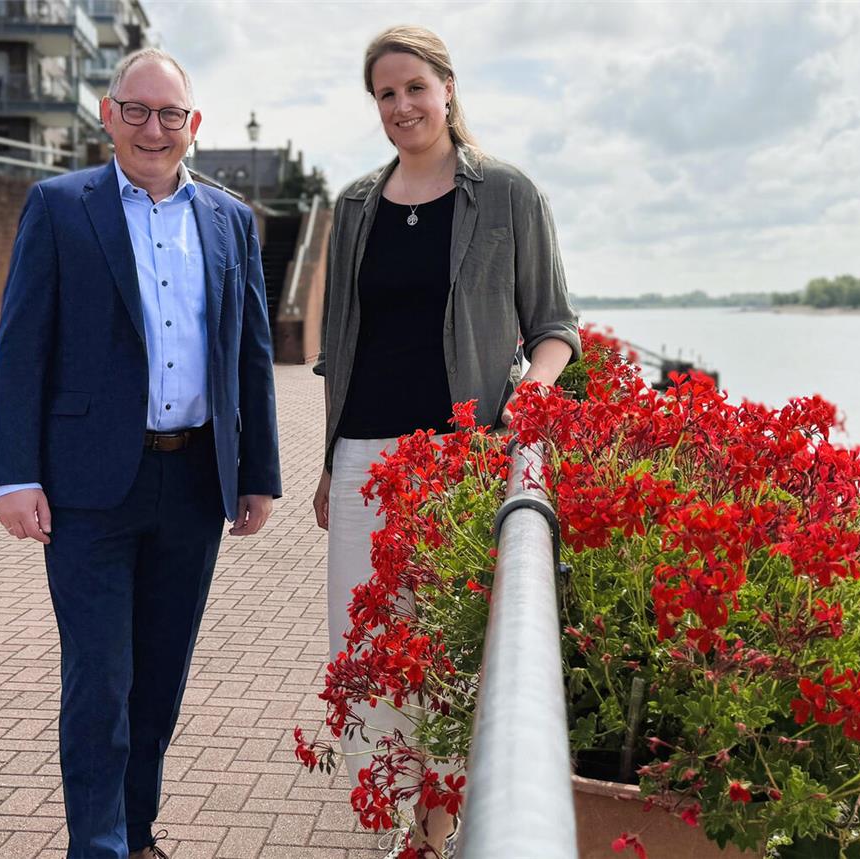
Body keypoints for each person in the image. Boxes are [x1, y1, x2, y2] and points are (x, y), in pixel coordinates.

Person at [0, 48, 281, 859]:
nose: (155, 128)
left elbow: (249, 352)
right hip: (88, 489)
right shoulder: (58, 206)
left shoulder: (229, 221)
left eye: (171, 114)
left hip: (192, 483)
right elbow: (21, 348)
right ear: (108, 115)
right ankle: (100, 846)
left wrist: (256, 474)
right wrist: (14, 474)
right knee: (100, 680)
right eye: (138, 111)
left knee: (157, 683)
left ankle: (135, 831)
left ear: (195, 126)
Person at [311, 25, 580, 859]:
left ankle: (455, 823)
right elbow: (342, 347)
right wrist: (327, 464)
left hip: (459, 459)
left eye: (414, 88)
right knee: (373, 650)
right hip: (362, 457)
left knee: (454, 644)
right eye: (385, 95)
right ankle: (417, 829)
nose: (401, 107)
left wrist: (527, 400)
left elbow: (555, 327)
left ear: (449, 89)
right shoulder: (355, 206)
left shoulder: (506, 194)